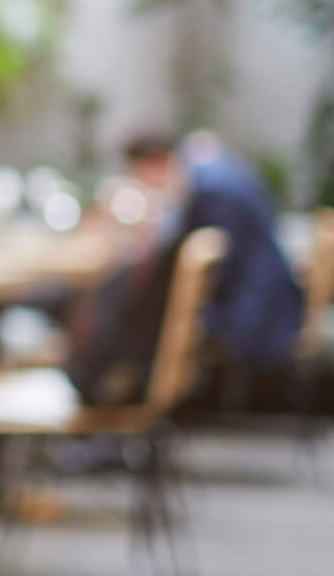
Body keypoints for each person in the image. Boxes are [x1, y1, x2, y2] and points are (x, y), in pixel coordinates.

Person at [65, 132, 302, 406]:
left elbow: (196, 270)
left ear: (152, 163)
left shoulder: (211, 191)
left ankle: (97, 387)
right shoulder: (207, 174)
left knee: (126, 306)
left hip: (254, 314)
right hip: (253, 300)